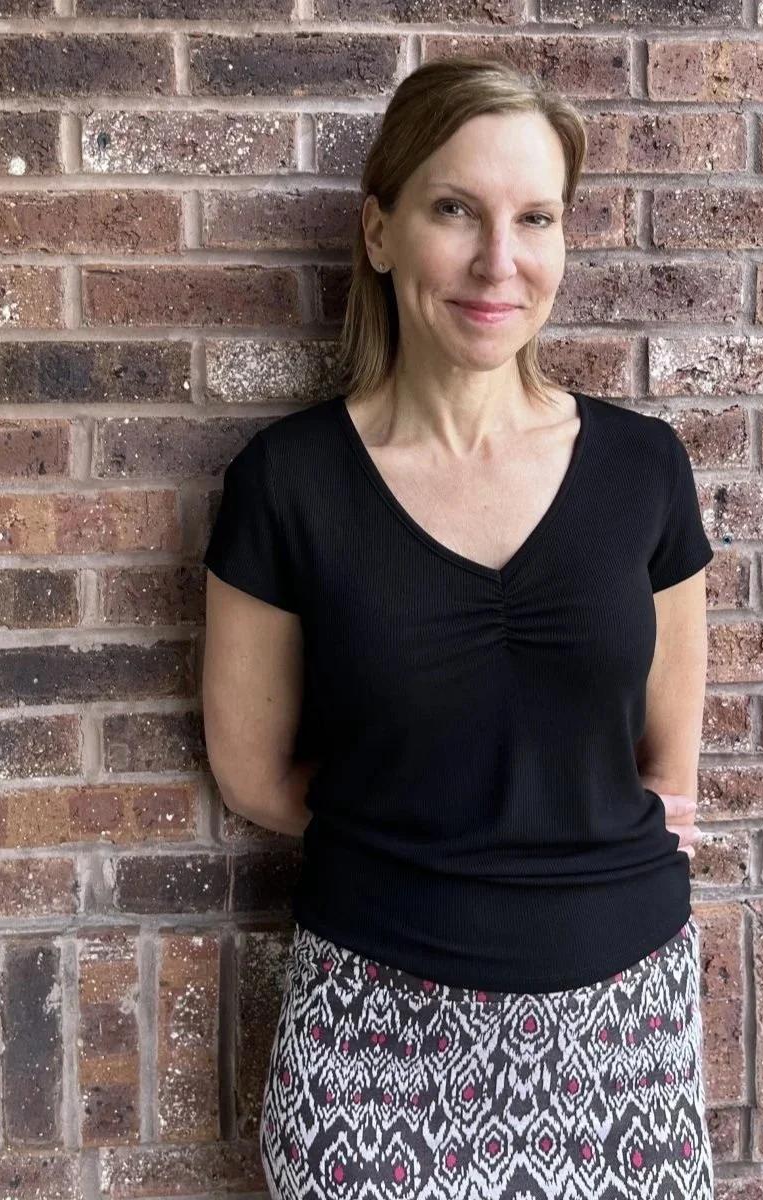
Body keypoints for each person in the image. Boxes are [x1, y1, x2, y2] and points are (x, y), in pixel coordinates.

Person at [201, 54, 715, 1200]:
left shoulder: (644, 470)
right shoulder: (288, 483)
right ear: (379, 232)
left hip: (623, 1023)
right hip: (373, 1029)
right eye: (455, 211)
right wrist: (436, 849)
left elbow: (669, 763)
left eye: (536, 218)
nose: (501, 261)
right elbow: (255, 776)